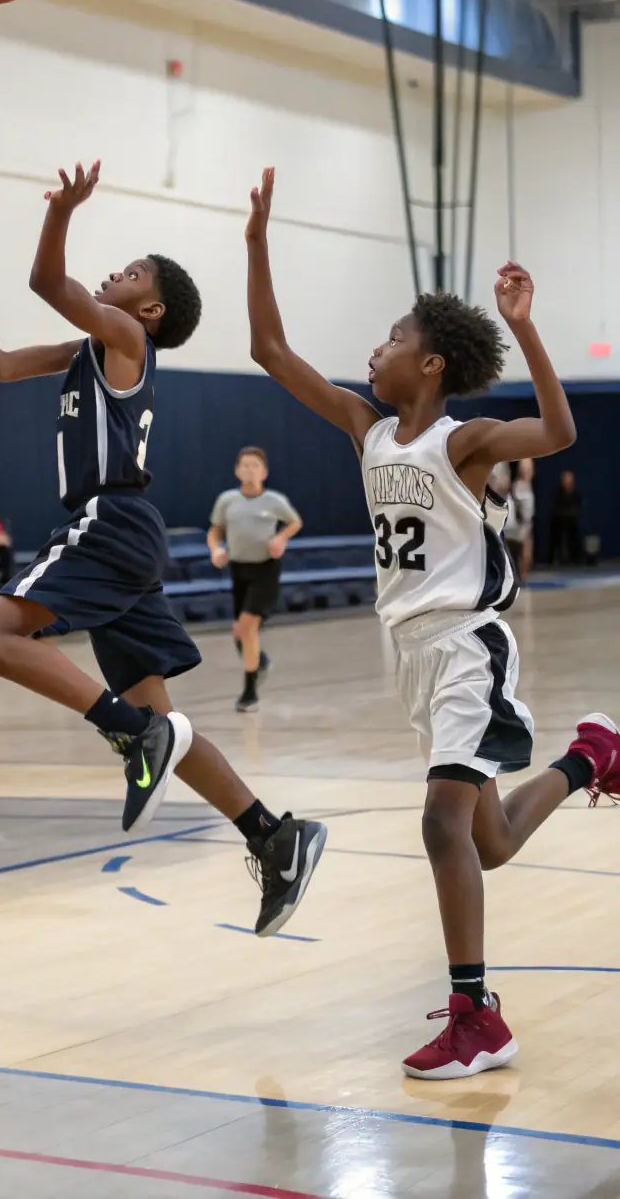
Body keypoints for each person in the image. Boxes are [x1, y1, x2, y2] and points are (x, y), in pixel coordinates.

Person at [245, 164, 618, 1078]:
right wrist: (256, 238)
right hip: (412, 656)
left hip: (466, 646)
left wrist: (527, 330)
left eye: (393, 335)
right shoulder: (367, 429)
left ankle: (475, 1015)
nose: (376, 347)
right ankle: (592, 756)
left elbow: (562, 431)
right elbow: (267, 349)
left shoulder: (466, 440)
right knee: (484, 842)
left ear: (433, 361)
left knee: (442, 828)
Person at [0, 162, 326, 936]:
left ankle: (129, 731)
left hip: (109, 518)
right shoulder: (85, 348)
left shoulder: (125, 335)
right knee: (164, 712)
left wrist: (60, 211)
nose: (113, 274)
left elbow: (43, 277)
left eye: (129, 272)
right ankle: (272, 833)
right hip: (128, 534)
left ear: (149, 307)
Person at [207, 447, 302, 713]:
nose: (248, 470)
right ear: (237, 471)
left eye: (254, 465)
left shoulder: (274, 501)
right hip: (239, 570)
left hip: (265, 571)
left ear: (264, 472)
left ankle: (249, 692)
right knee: (240, 632)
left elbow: (294, 522)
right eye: (244, 465)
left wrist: (281, 538)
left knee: (248, 626)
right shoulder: (227, 500)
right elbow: (215, 531)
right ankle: (259, 660)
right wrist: (215, 549)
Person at [503, 459, 535, 583]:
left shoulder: (527, 486)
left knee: (524, 555)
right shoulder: (518, 487)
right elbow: (521, 512)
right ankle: (516, 577)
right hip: (516, 527)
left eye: (530, 469)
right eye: (526, 469)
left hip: (523, 526)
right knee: (520, 554)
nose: (529, 472)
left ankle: (521, 577)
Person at [549, 469, 582, 566]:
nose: (567, 482)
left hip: (572, 522)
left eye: (569, 479)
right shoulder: (557, 494)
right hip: (559, 522)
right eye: (565, 479)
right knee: (556, 532)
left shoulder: (576, 494)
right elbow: (554, 509)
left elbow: (578, 508)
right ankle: (556, 558)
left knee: (574, 533)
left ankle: (574, 558)